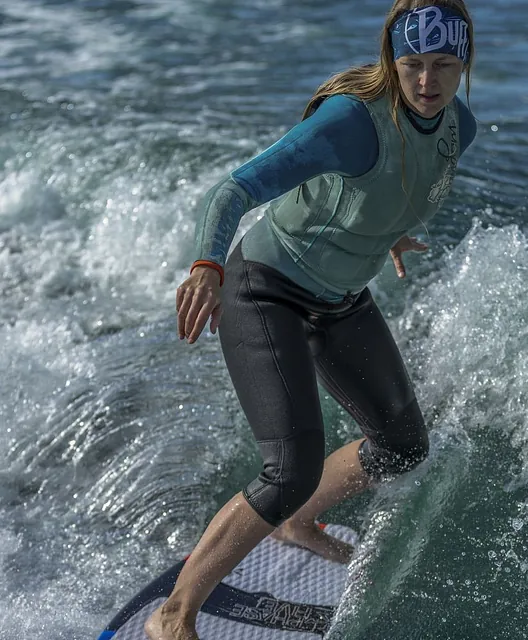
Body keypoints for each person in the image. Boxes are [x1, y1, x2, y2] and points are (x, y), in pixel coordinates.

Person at [145, 0, 477, 637]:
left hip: (342, 298)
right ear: (392, 60)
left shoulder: (456, 123)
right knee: (288, 467)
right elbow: (233, 189)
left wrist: (388, 232)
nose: (428, 82)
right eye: (413, 64)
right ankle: (175, 614)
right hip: (265, 288)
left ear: (465, 62)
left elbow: (402, 185)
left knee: (403, 445)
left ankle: (298, 522)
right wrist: (207, 267)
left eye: (444, 64)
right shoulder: (351, 122)